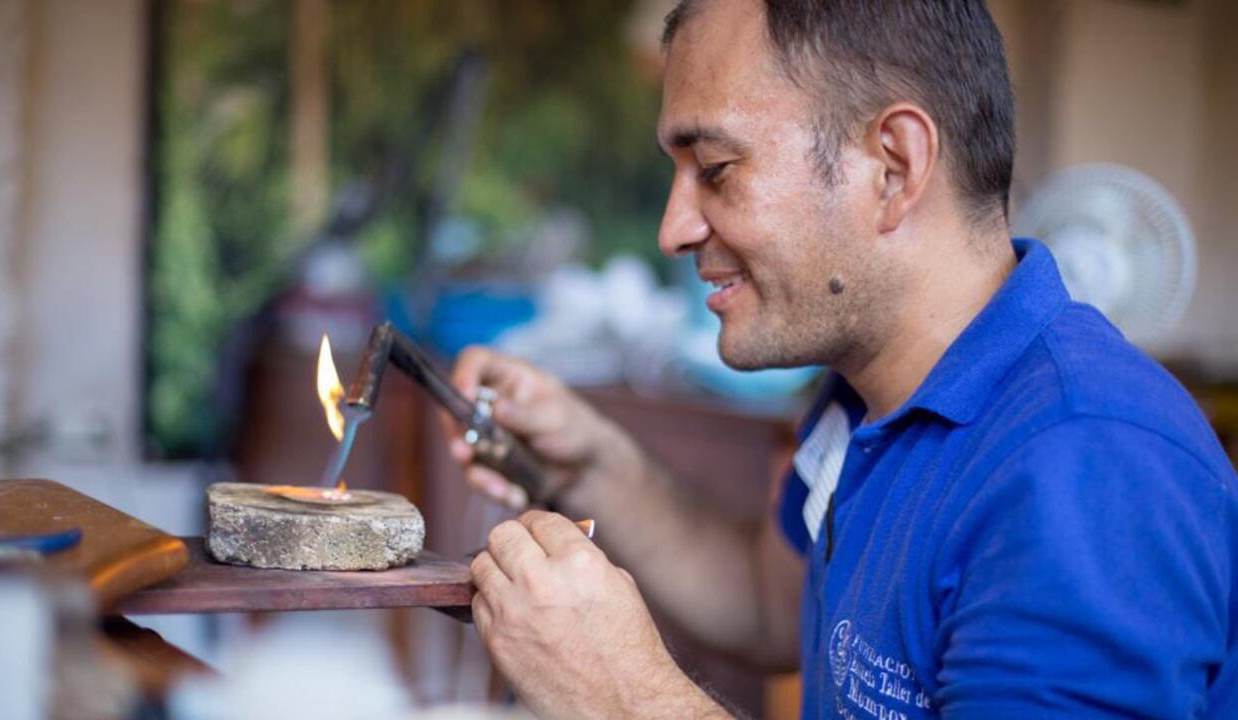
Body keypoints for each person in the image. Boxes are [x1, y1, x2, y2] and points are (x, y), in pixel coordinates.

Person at [444, 0, 1238, 717]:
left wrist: (622, 698)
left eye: (715, 170)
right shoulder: (863, 393)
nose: (673, 228)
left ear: (893, 166)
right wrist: (588, 464)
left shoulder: (1088, 469)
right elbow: (765, 598)